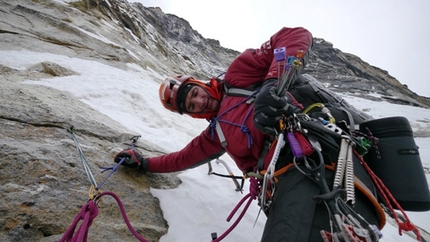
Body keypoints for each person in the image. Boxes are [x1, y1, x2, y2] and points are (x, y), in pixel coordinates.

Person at [114, 27, 384, 241]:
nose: (199, 103)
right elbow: (181, 159)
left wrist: (271, 84)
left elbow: (295, 35)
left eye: (194, 93)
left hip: (316, 156)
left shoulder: (238, 76)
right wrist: (145, 162)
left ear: (199, 84)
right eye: (190, 106)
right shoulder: (214, 135)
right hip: (283, 186)